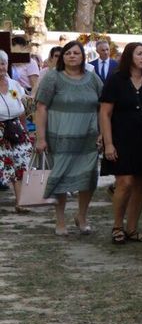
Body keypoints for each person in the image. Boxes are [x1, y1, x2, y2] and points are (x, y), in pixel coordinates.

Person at [34, 41, 103, 236]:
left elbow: (103, 108)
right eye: (68, 53)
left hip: (87, 139)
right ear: (62, 57)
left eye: (76, 53)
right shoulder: (52, 78)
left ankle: (81, 216)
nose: (72, 56)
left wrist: (102, 133)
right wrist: (40, 137)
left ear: (83, 57)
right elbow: (41, 107)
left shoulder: (93, 79)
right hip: (59, 138)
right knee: (60, 177)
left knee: (88, 178)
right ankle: (60, 220)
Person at [98, 42, 142, 244]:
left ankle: (132, 228)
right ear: (129, 57)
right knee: (124, 182)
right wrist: (108, 143)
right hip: (120, 138)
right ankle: (117, 226)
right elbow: (105, 114)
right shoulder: (116, 81)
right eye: (139, 54)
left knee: (140, 184)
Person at [0, 50, 34, 211]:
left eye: (3, 63)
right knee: (4, 166)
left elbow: (20, 108)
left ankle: (20, 203)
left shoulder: (14, 85)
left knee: (20, 164)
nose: (1, 67)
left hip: (15, 128)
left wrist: (25, 129)